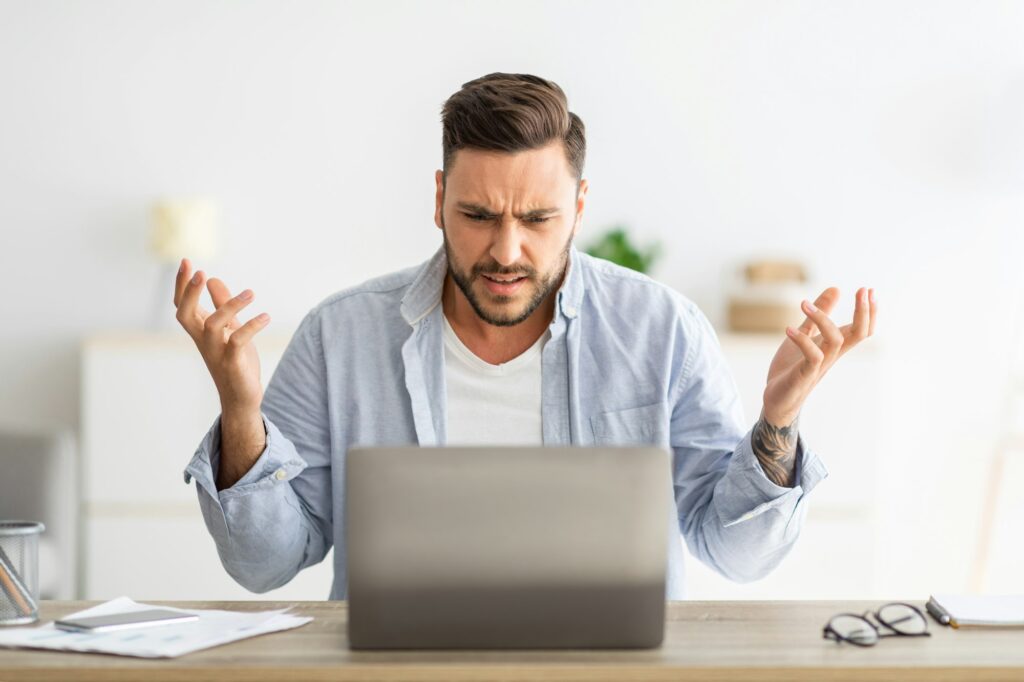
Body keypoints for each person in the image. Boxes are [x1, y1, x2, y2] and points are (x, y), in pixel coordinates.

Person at [174, 73, 876, 600]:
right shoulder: (342, 336)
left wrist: (777, 424)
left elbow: (738, 555)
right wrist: (242, 414)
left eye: (537, 219)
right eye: (477, 214)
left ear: (578, 207)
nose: (505, 250)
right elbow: (263, 564)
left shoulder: (661, 330)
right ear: (438, 199)